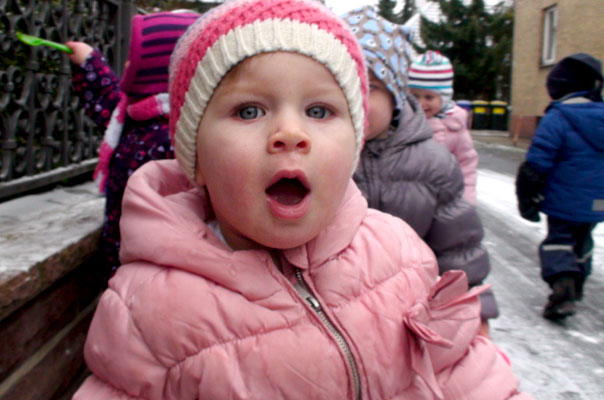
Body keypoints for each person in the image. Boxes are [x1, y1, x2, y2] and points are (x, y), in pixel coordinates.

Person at [73, 1, 532, 398]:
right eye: (249, 110)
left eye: (319, 111)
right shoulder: (147, 310)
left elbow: (463, 377)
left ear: (353, 145)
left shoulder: (402, 254)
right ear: (196, 156)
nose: (290, 133)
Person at [343, 7, 497, 332]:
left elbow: (459, 252)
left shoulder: (434, 164)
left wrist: (474, 315)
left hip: (409, 319)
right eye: (340, 84)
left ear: (397, 93)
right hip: (333, 320)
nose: (353, 99)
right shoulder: (316, 155)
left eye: (369, 87)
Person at [66, 10, 200, 274]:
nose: (126, 65)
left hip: (160, 269)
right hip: (122, 256)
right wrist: (88, 62)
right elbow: (107, 99)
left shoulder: (179, 137)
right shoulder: (137, 116)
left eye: (134, 57)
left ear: (156, 67)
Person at [515, 52, 604, 320]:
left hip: (563, 200)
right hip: (598, 202)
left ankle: (563, 289)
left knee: (559, 241)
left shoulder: (559, 117)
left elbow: (538, 162)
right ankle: (577, 283)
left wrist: (527, 195)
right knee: (582, 239)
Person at [408, 50, 478, 205]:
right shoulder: (404, 122)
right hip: (410, 200)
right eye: (415, 96)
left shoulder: (454, 127)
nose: (421, 103)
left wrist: (467, 200)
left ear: (444, 97)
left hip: (444, 200)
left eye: (429, 97)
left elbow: (467, 165)